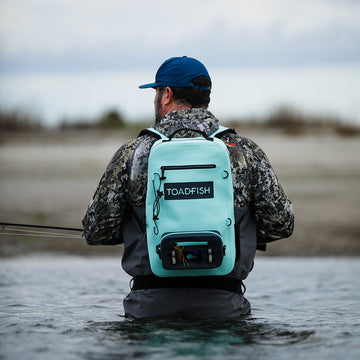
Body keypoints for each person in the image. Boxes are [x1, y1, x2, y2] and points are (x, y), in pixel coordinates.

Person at [82, 56, 294, 319]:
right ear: (206, 96)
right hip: (224, 309)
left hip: (148, 310)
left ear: (167, 94)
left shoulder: (133, 153)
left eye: (157, 91)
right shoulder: (244, 152)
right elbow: (281, 223)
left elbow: (96, 231)